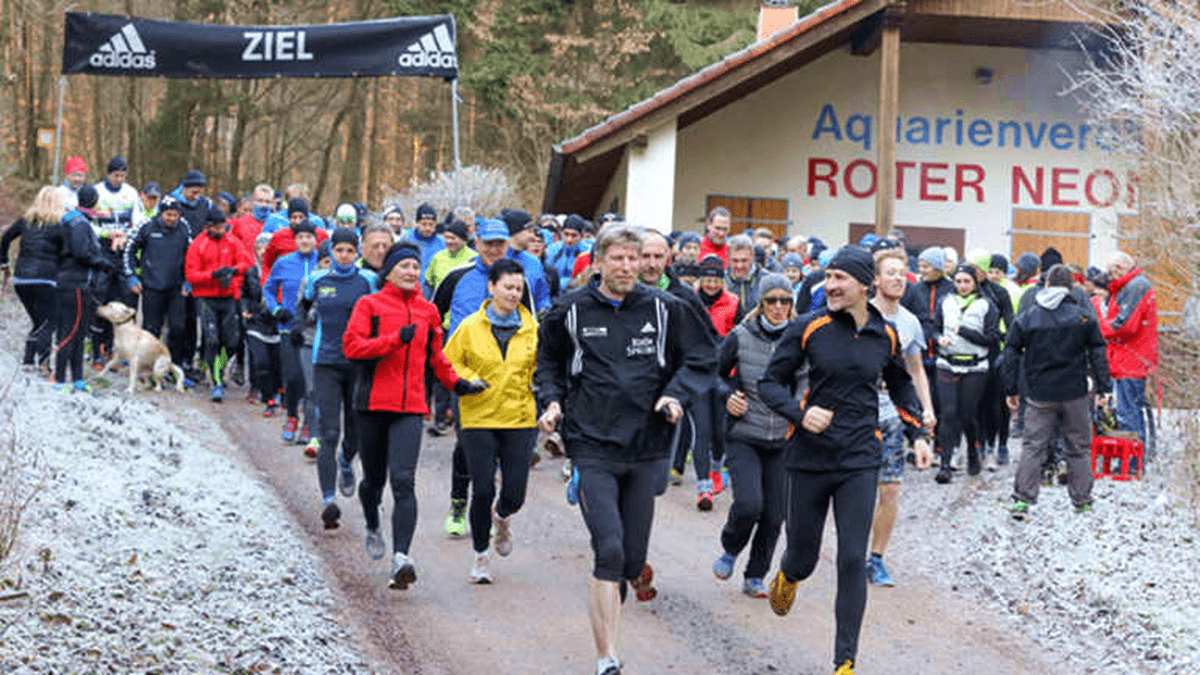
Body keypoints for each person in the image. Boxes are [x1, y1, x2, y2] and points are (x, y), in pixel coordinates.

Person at [535, 222, 716, 675]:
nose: (627, 266)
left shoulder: (666, 308)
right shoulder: (569, 310)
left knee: (633, 559)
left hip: (646, 445)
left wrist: (676, 394)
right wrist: (552, 401)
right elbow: (548, 362)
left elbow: (701, 357)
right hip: (591, 443)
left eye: (633, 259)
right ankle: (607, 656)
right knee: (609, 550)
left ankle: (622, 599)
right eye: (617, 258)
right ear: (598, 262)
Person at [758, 245, 931, 675]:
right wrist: (800, 414)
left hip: (860, 457)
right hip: (810, 457)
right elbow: (770, 382)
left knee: (853, 559)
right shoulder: (809, 326)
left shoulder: (885, 335)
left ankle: (844, 662)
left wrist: (919, 433)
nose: (829, 286)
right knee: (803, 557)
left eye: (839, 278)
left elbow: (900, 384)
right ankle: (788, 575)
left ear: (864, 285)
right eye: (828, 277)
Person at [342, 241, 485, 590]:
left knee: (404, 481)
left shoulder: (428, 311)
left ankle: (401, 559)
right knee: (373, 481)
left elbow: (437, 358)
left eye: (415, 267)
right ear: (388, 271)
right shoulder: (369, 304)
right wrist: (394, 340)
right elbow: (352, 347)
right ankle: (372, 522)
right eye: (404, 266)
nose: (411, 272)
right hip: (372, 404)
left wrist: (459, 384)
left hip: (410, 407)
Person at [432, 219, 534, 536]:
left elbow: (530, 327)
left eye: (500, 243)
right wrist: (440, 362)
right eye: (488, 243)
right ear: (476, 244)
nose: (494, 249)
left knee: (499, 448)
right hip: (464, 374)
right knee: (466, 444)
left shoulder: (518, 283)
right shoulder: (456, 276)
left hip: (506, 376)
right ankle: (459, 502)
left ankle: (490, 507)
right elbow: (432, 317)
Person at [443, 257, 538, 584]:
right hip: (478, 415)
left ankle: (503, 516)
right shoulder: (470, 326)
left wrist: (541, 386)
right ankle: (481, 556)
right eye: (508, 287)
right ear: (492, 287)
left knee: (515, 493)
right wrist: (467, 380)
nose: (513, 294)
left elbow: (542, 367)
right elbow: (448, 363)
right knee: (482, 488)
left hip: (519, 417)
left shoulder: (532, 329)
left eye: (518, 289)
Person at [1001, 264, 1110, 519]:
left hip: (1040, 392)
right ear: (1070, 287)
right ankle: (1082, 500)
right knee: (1079, 446)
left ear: (1046, 284)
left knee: (1033, 446)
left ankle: (1022, 500)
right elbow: (1098, 352)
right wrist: (1104, 387)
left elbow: (1011, 353)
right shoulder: (1084, 317)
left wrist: (1011, 388)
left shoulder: (1028, 317)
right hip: (1075, 392)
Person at [712, 273, 795, 598]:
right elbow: (714, 374)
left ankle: (755, 575)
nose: (778, 307)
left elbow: (809, 380)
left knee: (774, 516)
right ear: (761, 303)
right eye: (771, 300)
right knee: (749, 504)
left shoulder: (799, 337)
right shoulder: (740, 335)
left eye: (785, 301)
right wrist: (727, 395)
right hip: (745, 433)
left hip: (783, 438)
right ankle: (730, 549)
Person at [864, 247, 935, 587]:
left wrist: (926, 409)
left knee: (891, 490)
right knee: (859, 490)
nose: (897, 279)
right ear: (875, 280)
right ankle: (852, 551)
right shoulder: (859, 316)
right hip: (859, 415)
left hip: (894, 415)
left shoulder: (910, 322)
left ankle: (876, 558)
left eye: (901, 273)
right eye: (890, 272)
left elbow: (916, 370)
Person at [302, 228, 377, 529]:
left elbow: (379, 314)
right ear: (331, 251)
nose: (344, 256)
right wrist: (296, 327)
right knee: (329, 432)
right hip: (326, 362)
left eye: (349, 250)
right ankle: (328, 501)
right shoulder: (317, 279)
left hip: (358, 363)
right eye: (339, 250)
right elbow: (303, 307)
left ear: (357, 253)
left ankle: (346, 462)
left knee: (355, 431)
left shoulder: (368, 280)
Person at [932, 264, 999, 483]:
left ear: (975, 283)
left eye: (967, 281)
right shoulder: (945, 301)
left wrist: (965, 332)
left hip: (975, 366)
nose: (962, 286)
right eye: (958, 281)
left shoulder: (986, 305)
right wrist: (938, 339)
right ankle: (945, 464)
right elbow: (934, 328)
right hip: (947, 363)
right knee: (948, 414)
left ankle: (972, 449)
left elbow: (992, 338)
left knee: (968, 415)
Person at [50, 184, 115, 391]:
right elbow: (81, 253)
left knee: (79, 334)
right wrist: (103, 263)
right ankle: (60, 381)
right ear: (94, 202)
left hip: (79, 284)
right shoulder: (79, 224)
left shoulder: (77, 220)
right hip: (75, 284)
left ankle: (78, 380)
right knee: (69, 333)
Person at [184, 207, 254, 401]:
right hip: (206, 297)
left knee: (232, 342)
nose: (220, 230)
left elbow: (246, 262)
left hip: (228, 297)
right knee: (211, 339)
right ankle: (217, 381)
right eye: (216, 227)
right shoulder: (198, 244)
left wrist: (232, 271)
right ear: (209, 226)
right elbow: (191, 275)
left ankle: (219, 366)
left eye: (223, 226)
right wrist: (213, 275)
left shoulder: (232, 241)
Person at [264, 219, 321, 444]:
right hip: (288, 328)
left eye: (309, 237)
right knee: (292, 376)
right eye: (301, 237)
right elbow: (269, 289)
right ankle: (291, 417)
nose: (305, 241)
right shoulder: (283, 262)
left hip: (313, 330)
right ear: (295, 240)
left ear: (315, 240)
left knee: (310, 380)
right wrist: (276, 309)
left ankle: (308, 424)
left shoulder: (322, 262)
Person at [693, 253, 741, 504]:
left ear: (723, 281)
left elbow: (741, 336)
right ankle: (703, 487)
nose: (711, 284)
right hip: (698, 374)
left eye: (716, 280)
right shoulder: (690, 301)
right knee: (701, 430)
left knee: (720, 430)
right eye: (707, 280)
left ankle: (716, 466)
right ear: (700, 280)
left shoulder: (733, 302)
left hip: (724, 376)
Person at [0, 186, 65, 370]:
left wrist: (4, 263)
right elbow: (66, 253)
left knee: (39, 321)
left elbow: (5, 238)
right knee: (49, 322)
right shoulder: (60, 226)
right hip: (45, 279)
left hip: (21, 280)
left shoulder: (25, 221)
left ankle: (28, 361)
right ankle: (44, 363)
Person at [1100, 251, 1158, 453]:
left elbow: (1124, 325)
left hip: (1130, 359)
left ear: (1120, 268)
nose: (1110, 278)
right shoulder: (1134, 285)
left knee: (1128, 413)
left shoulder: (1135, 287)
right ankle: (1135, 458)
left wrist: (1100, 327)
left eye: (1111, 273)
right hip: (1130, 358)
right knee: (1129, 411)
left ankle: (1134, 461)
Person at [123, 197, 191, 368]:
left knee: (178, 327)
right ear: (161, 213)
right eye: (168, 215)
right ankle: (148, 365)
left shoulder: (184, 227)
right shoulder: (146, 226)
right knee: (151, 328)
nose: (172, 219)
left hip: (176, 287)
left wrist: (189, 280)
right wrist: (131, 275)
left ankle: (173, 365)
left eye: (175, 215)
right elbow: (129, 250)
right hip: (152, 285)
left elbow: (192, 255)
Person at [262, 198, 329, 277]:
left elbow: (328, 261)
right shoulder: (279, 236)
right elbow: (267, 263)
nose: (297, 221)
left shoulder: (321, 235)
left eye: (301, 217)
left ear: (307, 218)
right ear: (289, 218)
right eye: (294, 217)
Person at [424, 218, 477, 297]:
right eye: (447, 237)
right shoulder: (438, 257)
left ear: (464, 240)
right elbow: (429, 284)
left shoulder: (474, 258)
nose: (449, 241)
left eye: (453, 238)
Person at [405, 203, 445, 296]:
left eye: (431, 225)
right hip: (410, 289)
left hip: (433, 293)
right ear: (417, 223)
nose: (427, 228)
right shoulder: (407, 240)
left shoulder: (442, 242)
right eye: (424, 224)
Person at [229, 184, 275, 253]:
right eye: (260, 201)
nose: (263, 205)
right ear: (253, 201)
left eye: (267, 201)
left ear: (272, 203)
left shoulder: (277, 223)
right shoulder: (239, 222)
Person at [726, 234, 764, 311]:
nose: (739, 266)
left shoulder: (765, 280)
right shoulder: (721, 281)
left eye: (744, 260)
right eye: (735, 261)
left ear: (752, 256)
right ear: (728, 258)